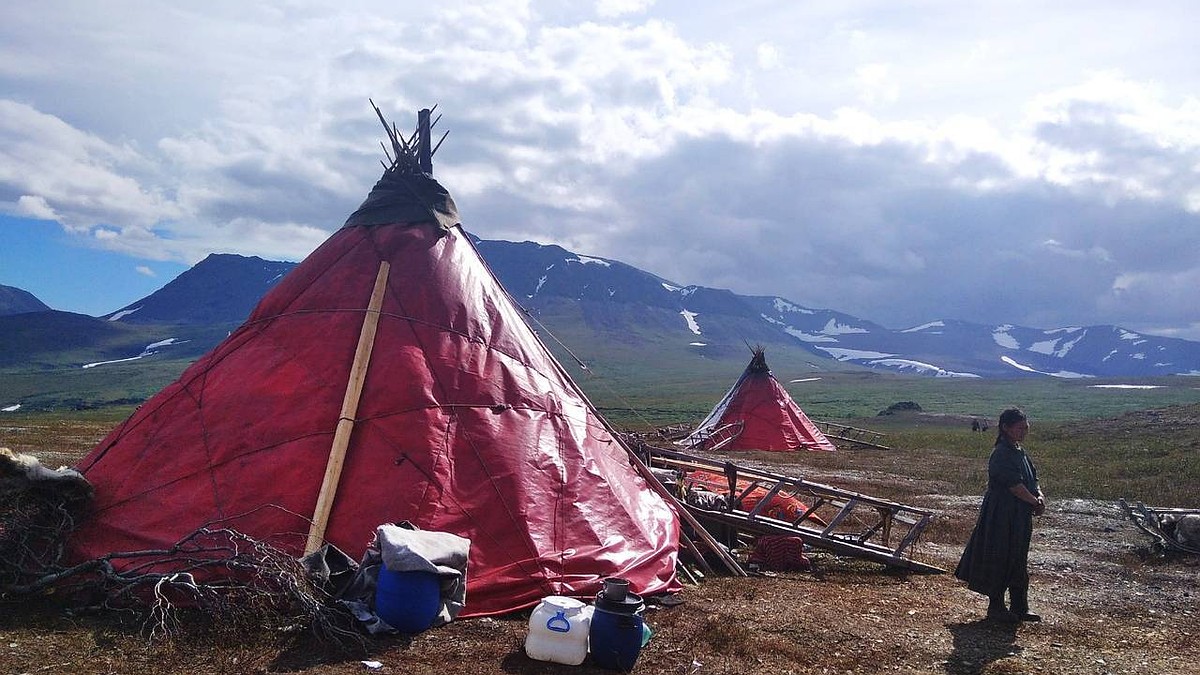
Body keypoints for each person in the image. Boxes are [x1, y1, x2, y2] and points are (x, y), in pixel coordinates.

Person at [955, 407, 1045, 623]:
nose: (1024, 431)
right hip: (1001, 514)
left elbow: (1033, 478)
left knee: (1018, 557)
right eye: (1019, 427)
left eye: (1026, 427)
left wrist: (1039, 496)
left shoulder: (1019, 451)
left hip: (1019, 515)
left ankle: (1019, 606)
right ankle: (996, 607)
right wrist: (1034, 501)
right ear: (1006, 428)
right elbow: (1013, 484)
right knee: (1000, 556)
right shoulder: (1002, 453)